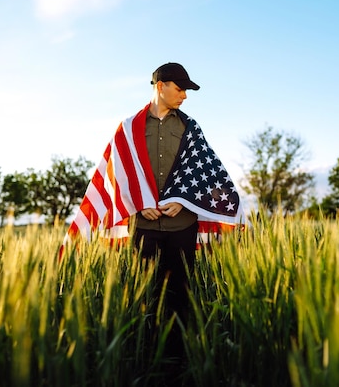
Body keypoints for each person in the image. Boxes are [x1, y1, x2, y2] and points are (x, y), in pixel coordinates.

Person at [62, 62, 242, 382]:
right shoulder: (129, 128)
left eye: (187, 90)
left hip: (181, 226)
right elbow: (116, 173)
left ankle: (177, 363)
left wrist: (181, 200)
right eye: (180, 88)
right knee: (146, 294)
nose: (185, 95)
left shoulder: (191, 127)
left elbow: (205, 174)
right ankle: (145, 360)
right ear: (161, 86)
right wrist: (136, 204)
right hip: (143, 228)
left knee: (180, 295)